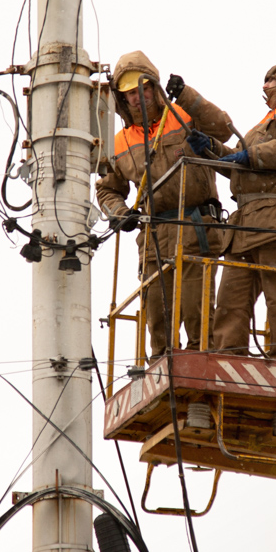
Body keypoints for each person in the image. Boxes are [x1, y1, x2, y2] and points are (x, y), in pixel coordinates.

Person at [95, 50, 234, 357]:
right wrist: (120, 213)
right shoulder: (119, 142)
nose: (137, 97)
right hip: (154, 238)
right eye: (130, 93)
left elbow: (223, 129)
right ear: (122, 99)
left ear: (155, 87)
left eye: (143, 88)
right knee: (158, 320)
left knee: (198, 315)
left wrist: (187, 96)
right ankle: (163, 370)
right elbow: (107, 190)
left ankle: (201, 371)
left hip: (196, 228)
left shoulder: (184, 115)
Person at [191, 55, 276, 363]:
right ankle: (228, 359)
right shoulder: (261, 125)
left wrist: (249, 156)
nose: (265, 86)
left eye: (271, 80)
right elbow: (238, 161)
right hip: (244, 227)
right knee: (230, 303)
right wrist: (210, 148)